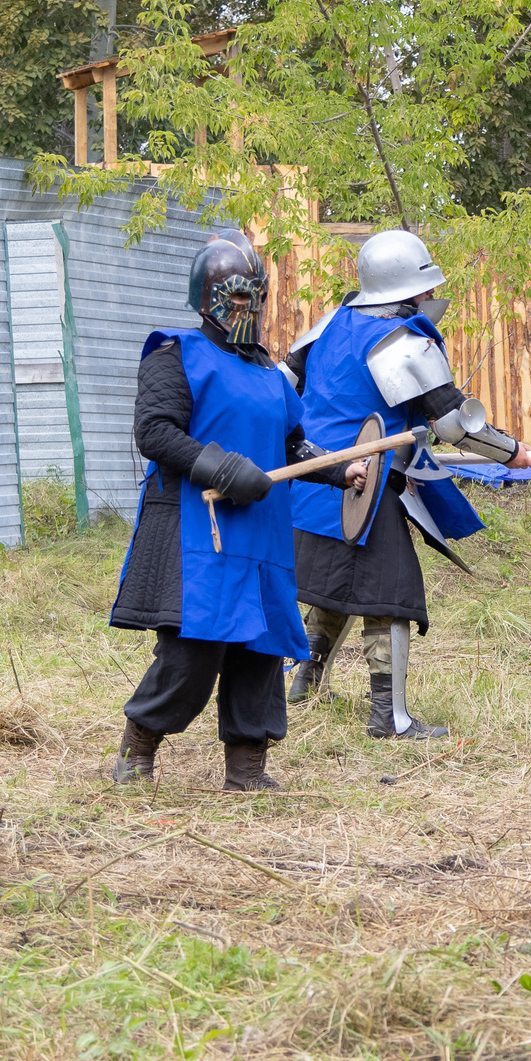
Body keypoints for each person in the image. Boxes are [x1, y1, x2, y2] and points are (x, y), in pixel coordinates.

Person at [109, 234, 368, 791]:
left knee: (263, 650)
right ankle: (138, 749)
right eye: (238, 296)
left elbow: (292, 445)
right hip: (200, 526)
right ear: (208, 297)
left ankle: (247, 772)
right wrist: (223, 469)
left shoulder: (272, 375)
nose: (248, 308)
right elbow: (154, 432)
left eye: (256, 296)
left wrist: (338, 468)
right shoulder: (173, 353)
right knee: (194, 652)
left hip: (263, 534)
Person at [283, 229, 531, 736]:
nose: (428, 298)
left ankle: (305, 687)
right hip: (363, 487)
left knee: (334, 587)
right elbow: (453, 424)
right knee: (389, 593)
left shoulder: (330, 323)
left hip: (311, 481)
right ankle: (389, 718)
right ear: (409, 290)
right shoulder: (402, 342)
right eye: (424, 288)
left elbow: (283, 382)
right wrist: (511, 453)